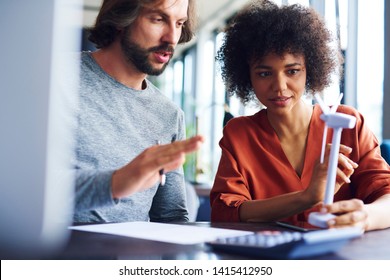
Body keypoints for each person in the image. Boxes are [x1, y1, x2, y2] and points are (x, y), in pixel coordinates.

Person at [210, 0, 390, 231]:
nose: (280, 87)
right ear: (248, 77)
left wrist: (365, 217)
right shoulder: (240, 133)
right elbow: (224, 212)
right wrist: (306, 197)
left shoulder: (348, 126)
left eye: (292, 71)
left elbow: (386, 195)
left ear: (310, 69)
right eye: (264, 73)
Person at [72, 0, 204, 223]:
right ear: (122, 18)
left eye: (179, 23)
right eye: (158, 19)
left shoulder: (169, 115)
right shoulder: (56, 78)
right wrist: (117, 182)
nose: (172, 38)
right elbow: (23, 188)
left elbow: (171, 217)